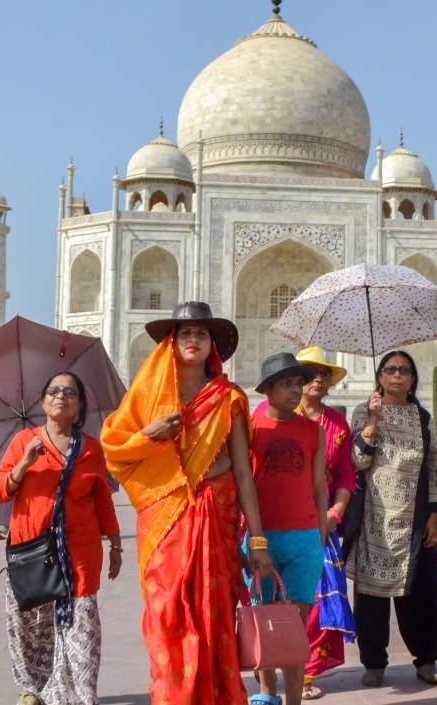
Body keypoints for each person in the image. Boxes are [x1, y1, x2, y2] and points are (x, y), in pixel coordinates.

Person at [101, 302, 273, 705]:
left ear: (212, 345)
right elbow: (115, 450)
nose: (193, 339)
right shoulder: (148, 396)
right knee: (167, 614)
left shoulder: (228, 398)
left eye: (201, 333)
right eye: (185, 333)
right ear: (171, 343)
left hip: (215, 518)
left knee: (213, 615)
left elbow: (243, 472)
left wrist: (258, 542)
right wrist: (151, 434)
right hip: (165, 519)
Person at [0, 372, 123, 705]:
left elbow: (102, 501)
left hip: (80, 552)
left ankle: (80, 694)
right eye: (53, 390)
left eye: (69, 392)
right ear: (43, 401)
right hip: (31, 551)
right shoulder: (24, 442)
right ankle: (31, 689)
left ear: (80, 406)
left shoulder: (90, 449)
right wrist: (24, 464)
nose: (60, 395)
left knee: (81, 626)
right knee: (31, 627)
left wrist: (116, 544)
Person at [346, 349, 437, 688]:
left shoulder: (422, 417)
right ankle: (374, 662)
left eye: (404, 370)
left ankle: (426, 660)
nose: (397, 375)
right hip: (373, 518)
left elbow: (435, 467)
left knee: (423, 594)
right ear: (379, 376)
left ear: (413, 378)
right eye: (390, 370)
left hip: (414, 519)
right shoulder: (363, 412)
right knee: (370, 598)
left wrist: (434, 515)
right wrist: (374, 421)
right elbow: (358, 461)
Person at [246, 352, 329, 705]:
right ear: (267, 389)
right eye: (286, 384)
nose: (296, 390)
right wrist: (251, 540)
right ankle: (267, 694)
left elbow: (319, 489)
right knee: (264, 621)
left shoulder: (313, 431)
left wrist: (319, 537)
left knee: (295, 627)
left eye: (298, 383)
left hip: (303, 538)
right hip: (262, 538)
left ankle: (294, 699)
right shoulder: (250, 428)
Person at [293, 346, 356, 701]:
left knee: (317, 600)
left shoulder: (336, 423)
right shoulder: (273, 416)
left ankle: (305, 672)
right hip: (282, 518)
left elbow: (346, 474)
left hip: (322, 522)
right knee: (279, 596)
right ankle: (273, 664)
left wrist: (336, 514)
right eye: (311, 373)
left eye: (325, 374)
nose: (318, 379)